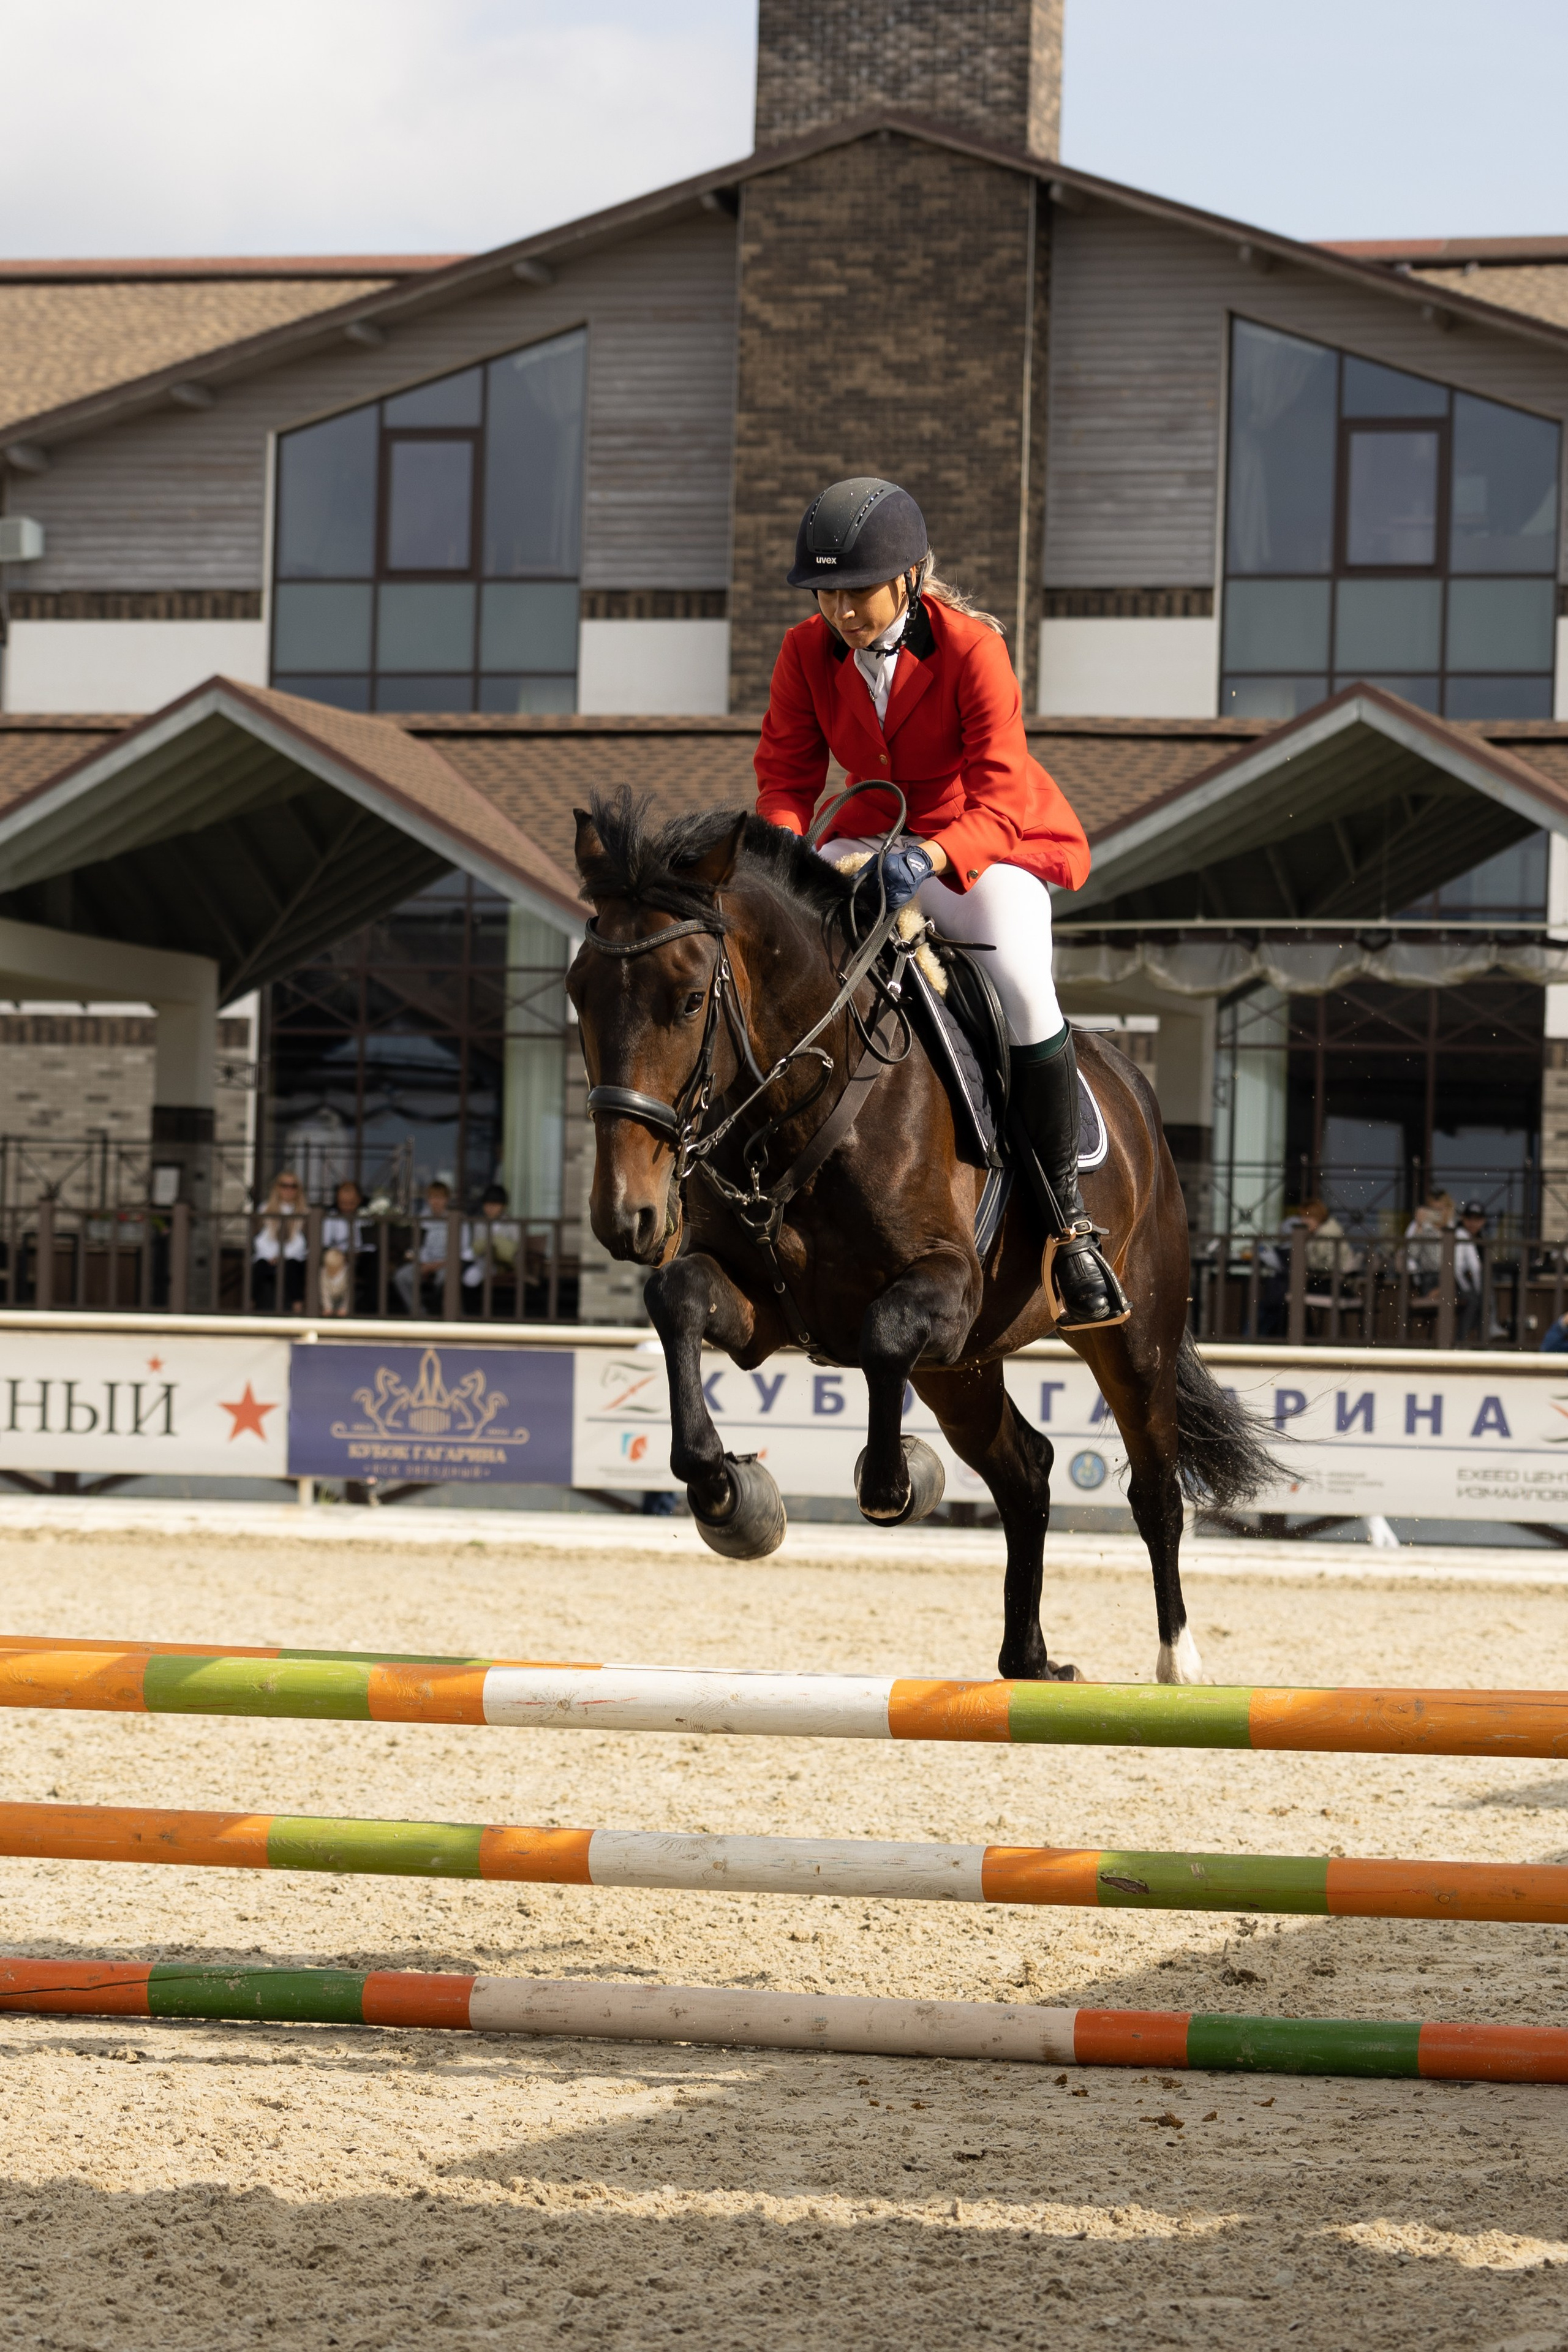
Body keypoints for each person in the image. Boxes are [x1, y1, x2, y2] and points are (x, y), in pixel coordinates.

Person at [752, 476, 1116, 1327]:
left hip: (980, 848)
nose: (841, 611)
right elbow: (787, 779)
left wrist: (931, 857)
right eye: (826, 594)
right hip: (866, 837)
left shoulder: (972, 649)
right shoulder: (803, 650)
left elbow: (1001, 797)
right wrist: (783, 863)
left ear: (911, 577)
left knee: (1022, 984)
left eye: (857, 592)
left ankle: (1070, 1227)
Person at [393, 1179, 470, 1314]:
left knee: (444, 1279)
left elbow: (463, 1249)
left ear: (447, 1199)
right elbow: (417, 1245)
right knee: (402, 1276)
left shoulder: (458, 1218)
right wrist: (423, 1263)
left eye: (440, 1198)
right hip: (425, 1263)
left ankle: (448, 1315)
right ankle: (419, 1314)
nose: (436, 1202)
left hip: (448, 1264)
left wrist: (438, 1265)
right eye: (433, 1197)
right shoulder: (422, 1218)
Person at [251, 1170, 307, 1313]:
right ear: (277, 1188)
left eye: (293, 1186)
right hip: (268, 1257)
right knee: (260, 1267)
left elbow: (301, 1241)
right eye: (284, 1186)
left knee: (291, 1267)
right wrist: (271, 1256)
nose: (288, 1190)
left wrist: (283, 1256)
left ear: (298, 1190)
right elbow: (261, 1239)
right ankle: (251, 1306)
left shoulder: (304, 1211)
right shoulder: (265, 1208)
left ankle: (297, 1306)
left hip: (293, 1258)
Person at [320, 1177, 376, 1316]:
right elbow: (326, 1243)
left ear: (359, 1200)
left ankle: (370, 1308)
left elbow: (371, 1243)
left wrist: (357, 1254)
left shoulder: (366, 1216)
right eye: (343, 1203)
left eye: (351, 1203)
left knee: (375, 1263)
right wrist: (341, 1255)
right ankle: (330, 1308)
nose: (347, 1207)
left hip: (361, 1257)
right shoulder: (331, 1217)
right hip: (339, 1256)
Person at [463, 1182, 520, 1314]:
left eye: (494, 1205)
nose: (490, 1209)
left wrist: (494, 1244)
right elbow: (477, 1246)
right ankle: (472, 1313)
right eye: (487, 1205)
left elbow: (515, 1247)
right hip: (483, 1262)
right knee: (470, 1277)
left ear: (503, 1206)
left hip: (506, 1265)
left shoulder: (512, 1223)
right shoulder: (480, 1223)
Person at [1453, 1199, 1488, 1346]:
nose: (1473, 1223)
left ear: (1483, 1221)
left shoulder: (1482, 1240)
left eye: (1477, 1219)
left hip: (1465, 1285)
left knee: (1484, 1299)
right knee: (1476, 1300)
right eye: (1469, 1219)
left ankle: (1482, 1338)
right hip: (1453, 1284)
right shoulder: (1460, 1234)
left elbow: (1477, 1269)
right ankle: (1462, 1342)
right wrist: (1469, 1288)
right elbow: (1456, 1267)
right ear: (1463, 1218)